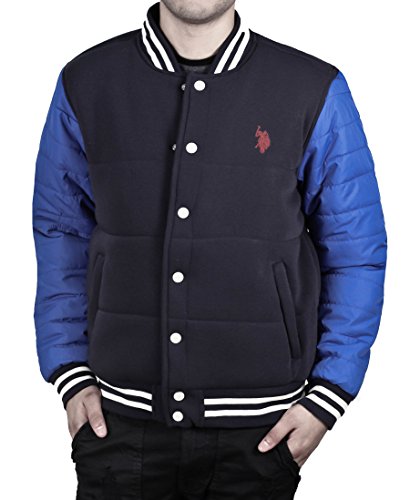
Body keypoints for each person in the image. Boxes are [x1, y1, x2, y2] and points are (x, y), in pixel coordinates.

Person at [32, 1, 387, 498]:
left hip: (262, 431)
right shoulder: (87, 81)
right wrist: (69, 372)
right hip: (118, 424)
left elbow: (355, 250)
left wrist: (329, 394)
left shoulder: (312, 87)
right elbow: (60, 233)